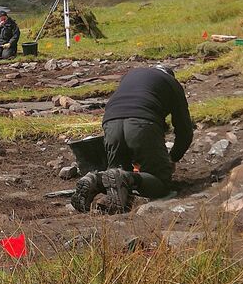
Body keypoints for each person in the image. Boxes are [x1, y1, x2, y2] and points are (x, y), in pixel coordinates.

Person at [70, 65, 193, 214]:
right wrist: (172, 157)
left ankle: (94, 179)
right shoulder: (171, 83)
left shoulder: (131, 75)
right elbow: (185, 131)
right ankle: (128, 178)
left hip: (111, 122)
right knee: (161, 182)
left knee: (115, 174)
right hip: (142, 122)